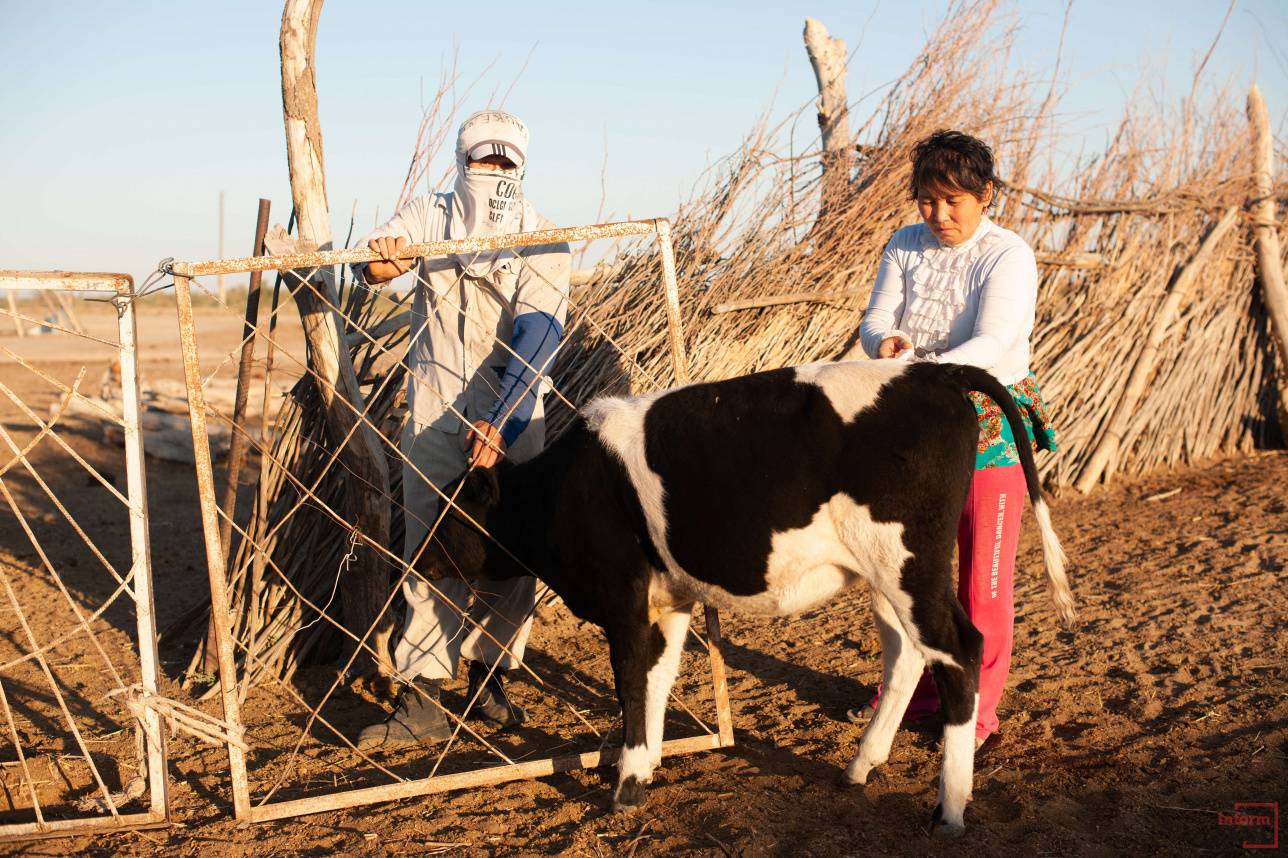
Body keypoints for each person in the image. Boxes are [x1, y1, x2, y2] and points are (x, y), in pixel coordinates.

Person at [354, 110, 571, 749]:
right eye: (483, 160)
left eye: (505, 162)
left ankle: (487, 675)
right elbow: (375, 261)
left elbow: (539, 331)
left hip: (516, 407)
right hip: (434, 408)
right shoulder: (430, 215)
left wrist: (500, 419)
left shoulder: (544, 235)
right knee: (431, 550)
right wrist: (384, 263)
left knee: (511, 555)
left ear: (522, 167)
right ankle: (421, 696)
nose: (494, 172)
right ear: (461, 161)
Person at [849, 129, 1056, 751]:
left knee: (982, 580)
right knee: (916, 569)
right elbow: (876, 319)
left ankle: (977, 713)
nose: (937, 216)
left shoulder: (1008, 255)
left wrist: (918, 372)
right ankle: (926, 687)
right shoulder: (904, 243)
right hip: (915, 422)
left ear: (985, 195)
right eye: (926, 202)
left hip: (985, 422)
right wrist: (882, 345)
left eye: (952, 202)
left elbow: (993, 344)